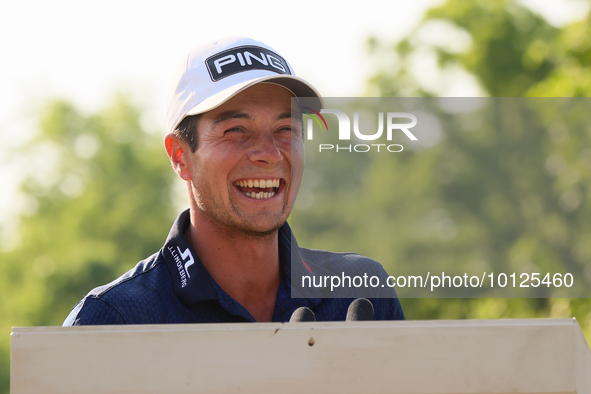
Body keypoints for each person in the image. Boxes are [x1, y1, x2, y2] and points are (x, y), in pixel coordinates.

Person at [63, 36, 404, 325]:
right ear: (180, 156)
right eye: (235, 130)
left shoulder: (360, 292)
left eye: (285, 130)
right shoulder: (114, 318)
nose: (269, 154)